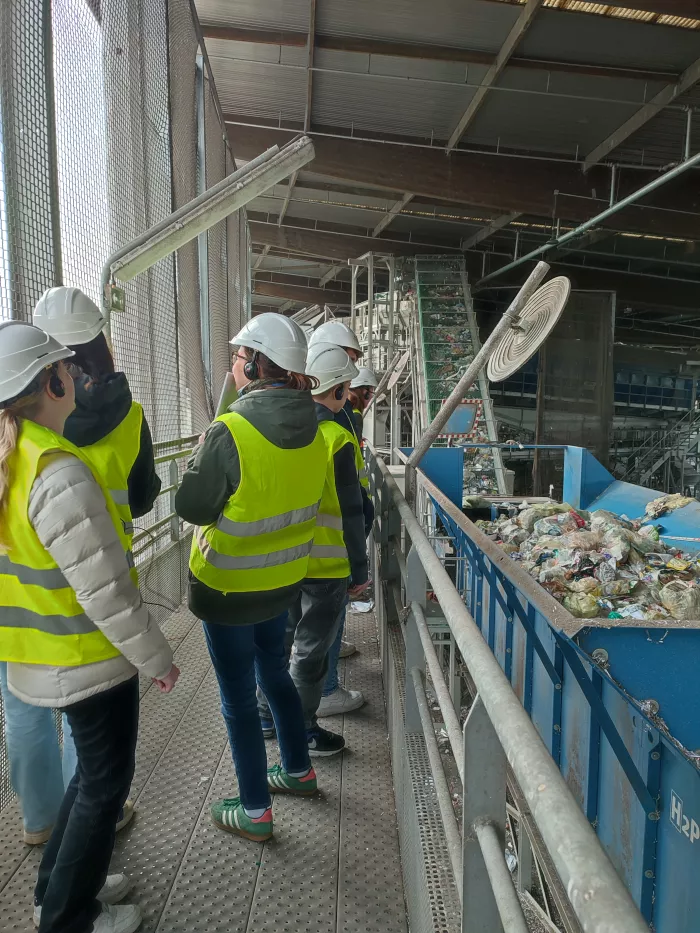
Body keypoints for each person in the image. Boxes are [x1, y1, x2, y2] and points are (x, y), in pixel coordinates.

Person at [0, 321, 179, 933]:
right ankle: (68, 917)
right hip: (90, 657)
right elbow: (106, 590)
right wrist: (159, 659)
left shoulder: (12, 461)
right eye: (67, 370)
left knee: (92, 780)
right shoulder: (56, 472)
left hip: (35, 652)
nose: (76, 377)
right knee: (105, 784)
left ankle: (59, 887)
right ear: (50, 380)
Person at [175, 313, 328, 842]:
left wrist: (203, 454)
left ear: (258, 363)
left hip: (228, 590)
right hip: (282, 583)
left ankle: (256, 810)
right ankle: (299, 770)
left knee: (238, 697)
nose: (234, 363)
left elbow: (191, 507)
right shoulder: (316, 428)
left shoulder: (231, 430)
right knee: (276, 674)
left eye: (241, 355)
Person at [257, 343, 370, 755]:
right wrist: (360, 570)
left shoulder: (284, 428)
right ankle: (302, 731)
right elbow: (352, 509)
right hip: (326, 566)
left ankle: (267, 717)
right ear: (339, 391)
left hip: (282, 560)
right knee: (311, 652)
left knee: (279, 642)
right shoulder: (337, 437)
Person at [308, 323, 373, 715]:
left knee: (300, 635)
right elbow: (349, 504)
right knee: (320, 629)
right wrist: (359, 564)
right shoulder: (335, 429)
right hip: (329, 549)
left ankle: (278, 711)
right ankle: (324, 693)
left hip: (293, 550)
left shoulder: (295, 419)